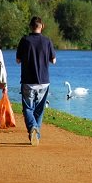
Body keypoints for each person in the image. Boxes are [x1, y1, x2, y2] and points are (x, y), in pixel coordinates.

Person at [16, 16, 56, 146]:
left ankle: (33, 128)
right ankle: (36, 134)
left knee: (28, 109)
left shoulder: (24, 40)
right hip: (44, 81)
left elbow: (18, 60)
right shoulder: (47, 41)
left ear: (30, 26)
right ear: (42, 26)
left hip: (28, 81)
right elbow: (53, 60)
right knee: (39, 110)